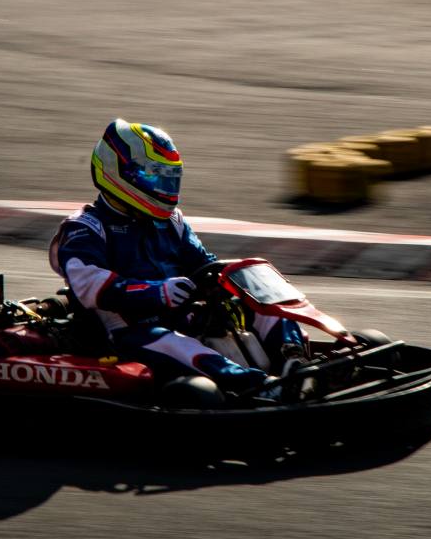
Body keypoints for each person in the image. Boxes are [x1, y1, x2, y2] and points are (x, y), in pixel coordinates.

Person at [49, 119, 306, 394]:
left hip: (184, 315)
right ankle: (261, 388)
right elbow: (91, 287)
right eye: (154, 175)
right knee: (176, 344)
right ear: (118, 171)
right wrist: (159, 293)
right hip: (130, 333)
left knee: (260, 304)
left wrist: (234, 286)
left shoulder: (170, 222)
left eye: (169, 176)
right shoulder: (85, 227)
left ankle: (297, 362)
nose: (165, 185)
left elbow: (205, 264)